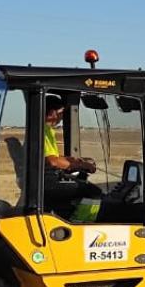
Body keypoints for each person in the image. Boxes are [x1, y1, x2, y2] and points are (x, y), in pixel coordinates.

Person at [41, 93, 103, 222]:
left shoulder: (46, 130)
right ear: (52, 113)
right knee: (93, 192)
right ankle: (80, 225)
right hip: (47, 182)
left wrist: (74, 161)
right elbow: (53, 161)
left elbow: (54, 156)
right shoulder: (43, 132)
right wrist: (82, 165)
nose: (62, 117)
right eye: (61, 113)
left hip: (46, 180)